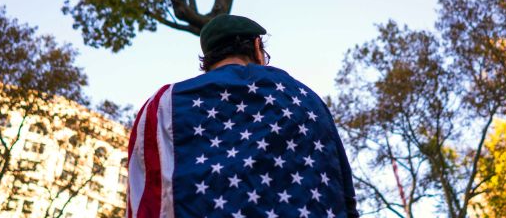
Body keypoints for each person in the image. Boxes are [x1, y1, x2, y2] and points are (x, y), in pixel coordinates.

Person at [126, 14, 359, 218]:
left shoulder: (164, 104)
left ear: (206, 60)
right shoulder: (306, 100)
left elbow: (145, 199)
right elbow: (344, 193)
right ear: (258, 48)